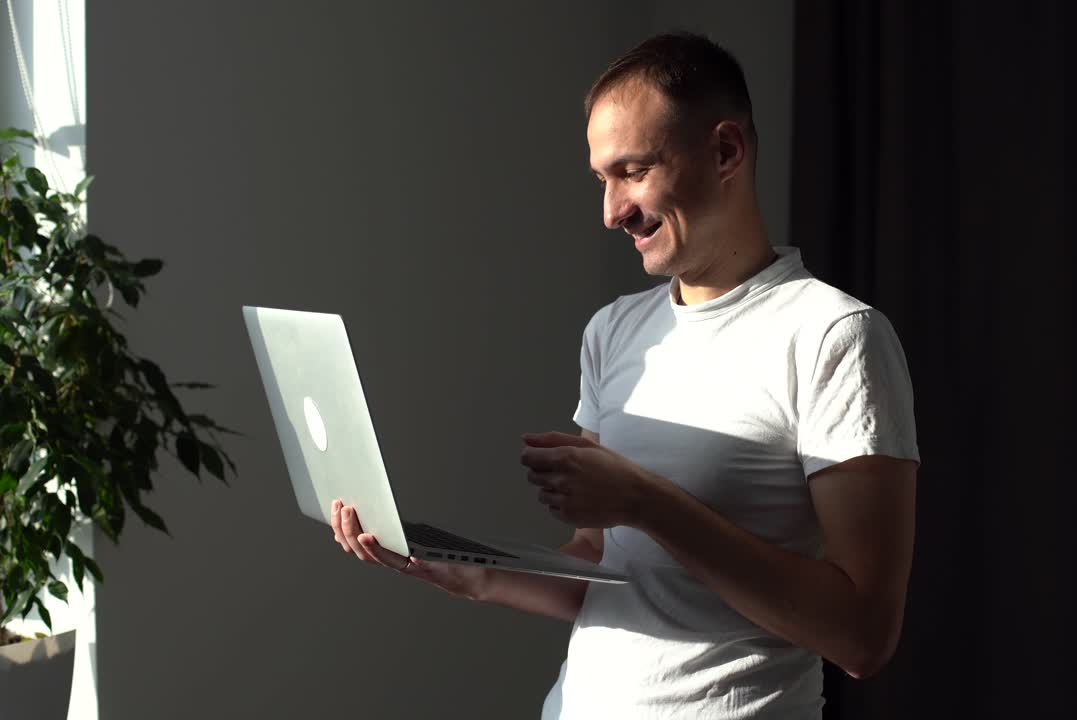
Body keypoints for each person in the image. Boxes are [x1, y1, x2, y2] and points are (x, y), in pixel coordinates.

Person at [330, 31, 920, 719]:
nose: (611, 212)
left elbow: (863, 635)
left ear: (726, 150)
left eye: (633, 172)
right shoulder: (614, 331)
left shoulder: (836, 337)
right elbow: (605, 570)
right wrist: (469, 575)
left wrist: (647, 502)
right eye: (602, 179)